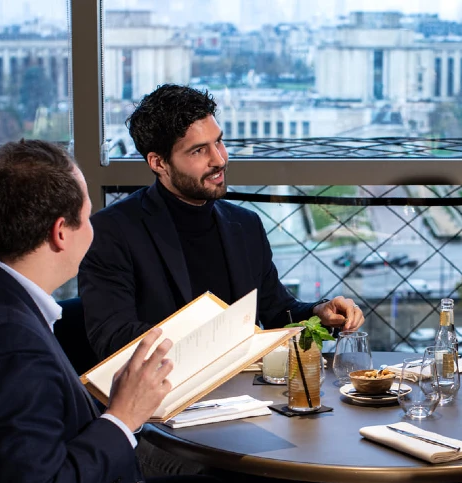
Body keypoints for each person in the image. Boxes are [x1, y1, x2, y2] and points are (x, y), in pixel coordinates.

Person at [0, 140, 219, 483]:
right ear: (61, 233)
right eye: (88, 216)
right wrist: (123, 417)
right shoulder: (9, 344)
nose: (93, 229)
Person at [79, 84, 363, 361]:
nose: (219, 159)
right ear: (159, 163)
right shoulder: (111, 232)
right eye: (198, 151)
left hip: (245, 396)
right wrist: (216, 338)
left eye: (218, 141)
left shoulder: (245, 224)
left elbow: (277, 313)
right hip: (164, 398)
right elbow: (112, 338)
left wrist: (321, 313)